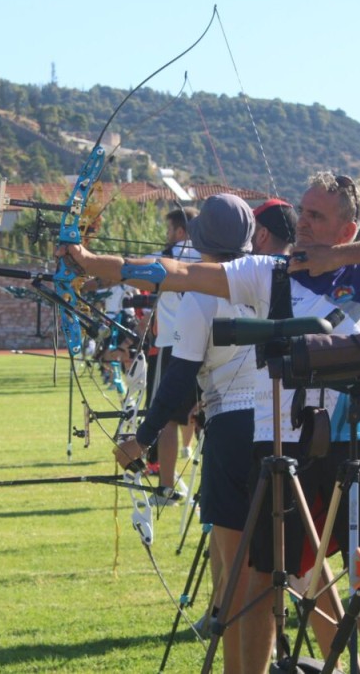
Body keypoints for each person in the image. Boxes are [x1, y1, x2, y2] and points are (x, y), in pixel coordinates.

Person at [61, 174, 360, 673]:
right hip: (279, 444)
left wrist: (338, 259)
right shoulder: (267, 271)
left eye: (317, 216)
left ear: (347, 229)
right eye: (302, 212)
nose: (301, 223)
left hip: (351, 446)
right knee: (262, 582)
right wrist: (94, 264)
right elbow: (178, 273)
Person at [115, 195, 258, 672]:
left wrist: (142, 438)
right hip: (281, 430)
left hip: (232, 432)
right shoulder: (273, 277)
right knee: (275, 568)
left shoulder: (199, 299)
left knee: (234, 567)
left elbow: (177, 377)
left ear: (198, 244)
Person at [143, 207, 201, 502]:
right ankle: (208, 490)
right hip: (208, 346)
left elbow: (129, 271)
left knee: (166, 419)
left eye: (170, 231)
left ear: (180, 231)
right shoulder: (212, 258)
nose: (168, 237)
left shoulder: (163, 257)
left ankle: (166, 487)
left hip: (171, 346)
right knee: (206, 415)